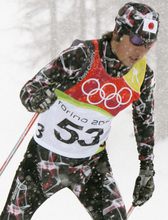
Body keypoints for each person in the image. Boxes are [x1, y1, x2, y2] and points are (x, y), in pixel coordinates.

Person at [0, 2, 159, 220]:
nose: (141, 51)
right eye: (137, 40)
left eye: (149, 44)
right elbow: (29, 90)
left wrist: (147, 169)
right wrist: (37, 99)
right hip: (43, 161)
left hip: (90, 165)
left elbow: (144, 120)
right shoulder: (83, 55)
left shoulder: (142, 76)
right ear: (118, 31)